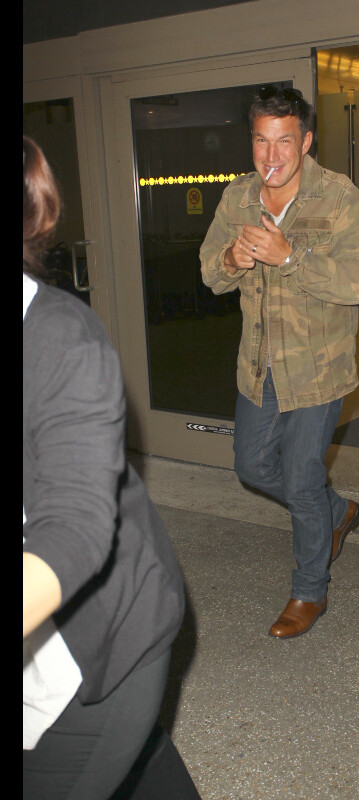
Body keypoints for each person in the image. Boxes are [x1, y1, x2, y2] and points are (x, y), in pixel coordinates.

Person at [23, 135, 202, 799]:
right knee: (140, 760)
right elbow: (217, 268)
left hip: (99, 637)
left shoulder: (62, 340)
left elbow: (72, 529)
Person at [200, 86, 359, 638]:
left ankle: (309, 591)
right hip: (259, 365)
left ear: (305, 140)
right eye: (260, 141)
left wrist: (290, 256)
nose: (271, 156)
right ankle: (336, 513)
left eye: (283, 141)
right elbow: (210, 272)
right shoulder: (237, 199)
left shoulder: (341, 198)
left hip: (318, 370)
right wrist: (231, 256)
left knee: (300, 478)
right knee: (252, 467)